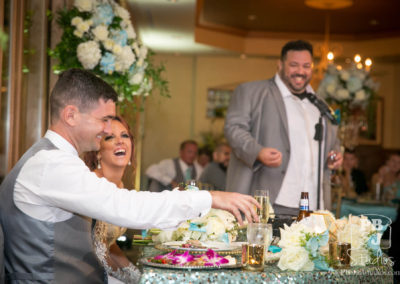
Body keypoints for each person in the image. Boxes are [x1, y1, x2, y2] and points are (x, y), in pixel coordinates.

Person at [0, 68, 259, 283]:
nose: (107, 129)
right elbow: (124, 206)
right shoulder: (50, 164)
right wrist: (209, 198)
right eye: (104, 120)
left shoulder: (59, 159)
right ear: (70, 115)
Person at [224, 40, 342, 215]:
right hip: (270, 202)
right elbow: (233, 129)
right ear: (280, 65)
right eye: (294, 65)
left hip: (314, 204)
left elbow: (332, 142)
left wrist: (335, 155)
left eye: (306, 66)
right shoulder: (251, 92)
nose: (300, 72)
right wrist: (258, 151)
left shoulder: (320, 104)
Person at [83, 116, 139, 283]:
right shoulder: (94, 184)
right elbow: (98, 249)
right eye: (110, 137)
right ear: (98, 152)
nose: (120, 141)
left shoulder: (120, 185)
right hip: (86, 271)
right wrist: (127, 279)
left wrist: (135, 274)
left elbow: (109, 243)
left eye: (125, 135)